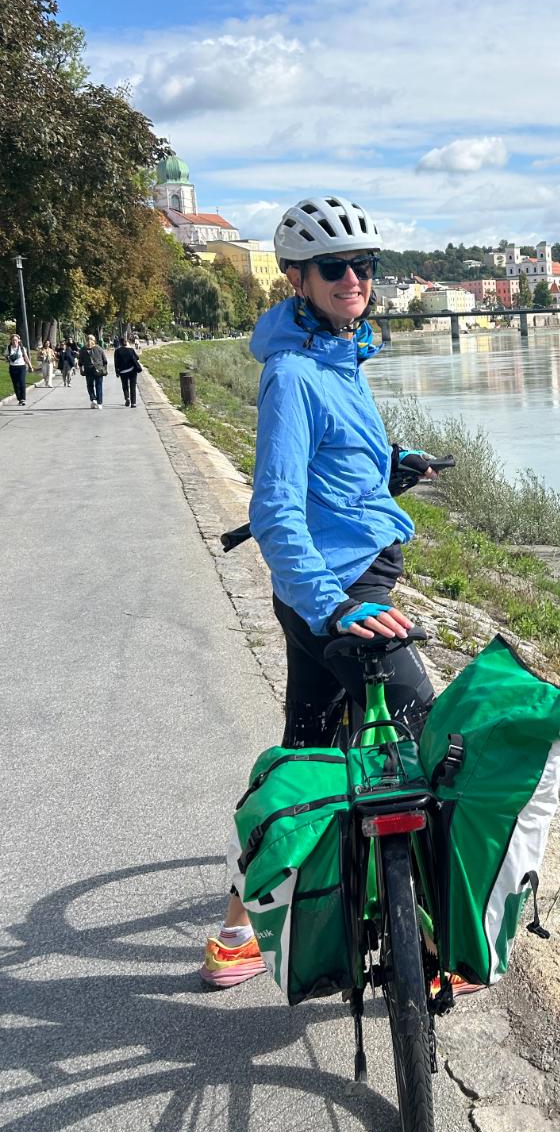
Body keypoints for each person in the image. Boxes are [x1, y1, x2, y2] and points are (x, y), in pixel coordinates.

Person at [200, 196, 441, 988]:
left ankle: (238, 931)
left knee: (306, 747)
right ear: (297, 278)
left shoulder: (338, 353)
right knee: (431, 742)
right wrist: (336, 605)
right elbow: (274, 509)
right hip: (338, 588)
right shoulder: (297, 374)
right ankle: (433, 932)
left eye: (364, 267)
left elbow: (327, 467)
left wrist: (390, 465)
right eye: (334, 268)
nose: (354, 280)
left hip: (325, 588)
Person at [80, 335, 107, 409]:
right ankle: (99, 403)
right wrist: (104, 369)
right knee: (99, 386)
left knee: (90, 385)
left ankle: (93, 398)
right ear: (94, 340)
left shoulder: (83, 349)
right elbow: (104, 360)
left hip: (88, 369)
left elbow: (80, 361)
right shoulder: (99, 348)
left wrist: (81, 369)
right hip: (98, 369)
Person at [113, 337, 142, 407]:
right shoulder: (131, 350)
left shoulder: (117, 351)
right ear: (126, 342)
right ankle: (133, 403)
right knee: (133, 386)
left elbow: (116, 363)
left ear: (120, 343)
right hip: (132, 370)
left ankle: (127, 397)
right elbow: (137, 358)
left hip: (123, 371)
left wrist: (117, 372)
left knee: (125, 386)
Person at [5, 332, 30, 405]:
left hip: (21, 367)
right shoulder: (9, 348)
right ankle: (19, 398)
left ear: (19, 340)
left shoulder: (22, 348)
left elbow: (26, 357)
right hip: (13, 367)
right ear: (11, 341)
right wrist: (8, 358)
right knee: (15, 384)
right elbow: (6, 356)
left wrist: (30, 366)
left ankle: (23, 399)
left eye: (16, 340)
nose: (14, 341)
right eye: (13, 340)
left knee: (22, 382)